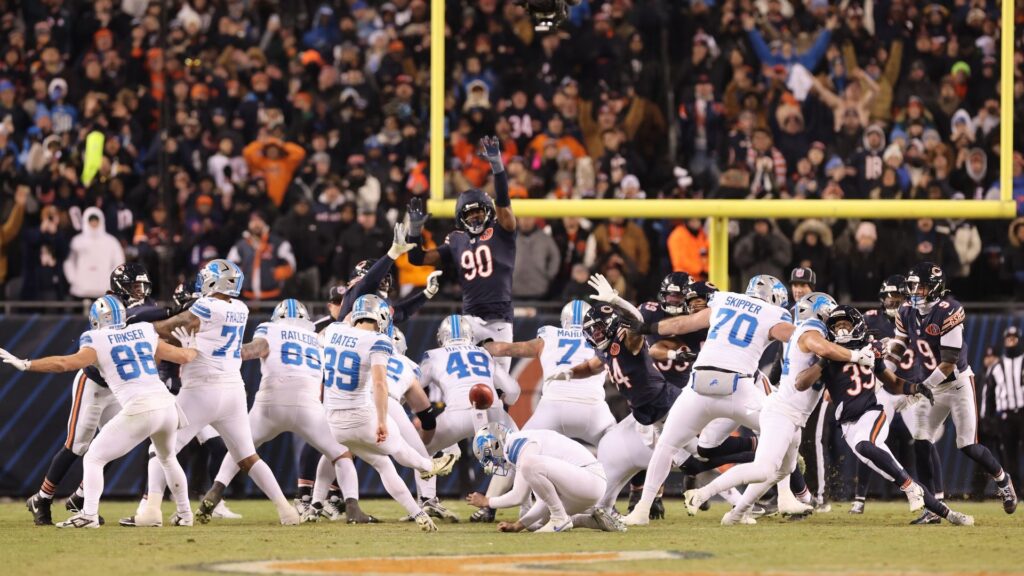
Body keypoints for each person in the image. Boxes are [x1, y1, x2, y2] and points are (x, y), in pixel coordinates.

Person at [2, 295, 198, 528]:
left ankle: (88, 514)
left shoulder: (96, 338)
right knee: (167, 459)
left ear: (96, 320)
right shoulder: (144, 330)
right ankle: (185, 514)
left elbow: (66, 363)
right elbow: (184, 357)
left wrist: (27, 364)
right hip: (167, 406)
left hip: (142, 407)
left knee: (94, 456)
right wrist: (192, 347)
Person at [622, 274, 795, 525]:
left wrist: (645, 328)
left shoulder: (725, 300)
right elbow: (792, 336)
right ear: (776, 298)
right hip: (738, 387)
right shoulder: (773, 313)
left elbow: (681, 325)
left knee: (667, 445)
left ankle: (642, 510)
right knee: (785, 430)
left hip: (699, 385)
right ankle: (779, 497)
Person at [137, 259, 300, 526]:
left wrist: (139, 329)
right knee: (247, 456)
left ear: (214, 281)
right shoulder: (241, 307)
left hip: (202, 388)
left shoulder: (207, 306)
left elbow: (178, 323)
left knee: (163, 447)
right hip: (233, 389)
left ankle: (152, 509)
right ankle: (286, 510)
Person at [681, 293, 867, 524]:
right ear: (819, 312)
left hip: (791, 415)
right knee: (763, 469)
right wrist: (858, 355)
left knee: (781, 471)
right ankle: (701, 494)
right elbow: (823, 351)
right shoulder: (810, 331)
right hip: (783, 413)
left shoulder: (809, 330)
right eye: (830, 314)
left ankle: (736, 514)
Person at [793, 306, 972, 526]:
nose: (841, 331)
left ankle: (909, 488)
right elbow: (800, 383)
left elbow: (893, 383)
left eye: (845, 325)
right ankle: (949, 514)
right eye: (836, 326)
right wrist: (824, 360)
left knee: (865, 446)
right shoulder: (829, 357)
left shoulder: (870, 351)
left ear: (857, 326)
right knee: (896, 471)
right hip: (849, 426)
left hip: (871, 414)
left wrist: (915, 388)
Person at [24, 263, 173, 525]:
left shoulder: (142, 307)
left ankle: (82, 497)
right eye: (133, 286)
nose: (139, 291)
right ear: (119, 287)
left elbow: (148, 316)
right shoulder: (109, 305)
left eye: (141, 285)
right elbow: (144, 316)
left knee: (114, 445)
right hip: (93, 383)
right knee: (78, 445)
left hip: (121, 388)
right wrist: (174, 310)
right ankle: (43, 498)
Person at [191, 299, 357, 525]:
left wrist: (222, 352)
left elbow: (253, 350)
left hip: (270, 403)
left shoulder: (270, 329)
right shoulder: (317, 339)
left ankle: (216, 489)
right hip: (307, 404)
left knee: (242, 449)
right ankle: (351, 506)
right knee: (341, 454)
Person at [318, 294, 457, 531]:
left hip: (334, 423)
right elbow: (380, 384)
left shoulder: (332, 330)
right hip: (361, 414)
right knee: (400, 448)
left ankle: (418, 514)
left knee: (383, 464)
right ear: (380, 317)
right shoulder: (378, 342)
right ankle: (428, 466)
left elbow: (326, 339)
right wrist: (381, 420)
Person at [890, 262, 1018, 515]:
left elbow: (948, 363)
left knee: (967, 444)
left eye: (921, 287)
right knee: (921, 440)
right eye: (913, 286)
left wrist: (919, 388)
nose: (915, 292)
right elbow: (899, 346)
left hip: (957, 384)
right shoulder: (905, 310)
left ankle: (1003, 480)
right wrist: (885, 368)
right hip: (931, 387)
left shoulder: (949, 310)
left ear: (936, 288)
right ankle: (932, 506)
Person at [406, 136, 518, 372]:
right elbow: (417, 259)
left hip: (500, 320)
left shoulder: (502, 230)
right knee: (465, 377)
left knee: (502, 390)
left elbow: (504, 204)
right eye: (469, 216)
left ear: (488, 212)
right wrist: (415, 231)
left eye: (479, 213)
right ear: (461, 220)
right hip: (470, 320)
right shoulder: (457, 240)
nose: (475, 218)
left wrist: (497, 168)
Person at [857, 275, 944, 522]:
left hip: (910, 387)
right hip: (884, 388)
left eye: (898, 297)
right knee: (869, 440)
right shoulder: (871, 319)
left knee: (923, 441)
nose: (892, 301)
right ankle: (861, 497)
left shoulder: (916, 317)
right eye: (889, 297)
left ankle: (937, 498)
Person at [418, 314, 521, 522]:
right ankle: (491, 505)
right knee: (518, 456)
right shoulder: (483, 353)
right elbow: (513, 391)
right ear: (470, 335)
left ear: (442, 337)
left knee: (421, 451)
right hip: (492, 409)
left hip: (457, 414)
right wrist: (501, 398)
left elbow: (413, 386)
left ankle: (427, 501)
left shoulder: (433, 355)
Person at [484, 300, 614, 449]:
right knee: (617, 450)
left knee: (518, 449)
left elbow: (505, 349)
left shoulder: (550, 335)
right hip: (593, 409)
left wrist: (482, 346)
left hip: (552, 407)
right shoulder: (603, 340)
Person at [465, 423, 624, 533]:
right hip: (584, 488)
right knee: (535, 524)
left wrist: (487, 501)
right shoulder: (526, 445)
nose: (491, 461)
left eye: (488, 453)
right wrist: (518, 526)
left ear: (496, 445)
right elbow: (544, 500)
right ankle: (587, 520)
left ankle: (559, 518)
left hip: (589, 478)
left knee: (529, 464)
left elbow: (518, 496)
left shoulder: (516, 444)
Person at [986, 326, 1024, 496]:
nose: (1011, 342)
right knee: (1009, 456)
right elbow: (990, 397)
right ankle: (1015, 491)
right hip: (1006, 417)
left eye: (1014, 339)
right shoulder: (997, 366)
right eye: (1008, 339)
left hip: (1022, 413)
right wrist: (990, 418)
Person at [226, 211, 296, 301]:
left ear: (265, 223)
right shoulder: (240, 245)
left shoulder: (278, 243)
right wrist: (242, 278)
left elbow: (291, 264)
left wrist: (276, 274)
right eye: (253, 221)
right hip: (246, 296)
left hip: (273, 296)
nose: (256, 224)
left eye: (259, 221)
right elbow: (230, 267)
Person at [63, 207, 125, 299]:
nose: (94, 223)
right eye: (91, 220)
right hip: (80, 291)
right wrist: (74, 280)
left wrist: (111, 282)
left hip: (105, 291)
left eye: (96, 220)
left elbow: (119, 264)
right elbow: (69, 262)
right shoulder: (77, 241)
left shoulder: (111, 241)